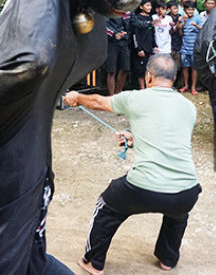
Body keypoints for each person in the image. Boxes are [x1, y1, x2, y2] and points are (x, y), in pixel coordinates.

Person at [63, 54, 201, 274]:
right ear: (174, 79)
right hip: (186, 191)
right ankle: (168, 259)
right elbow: (168, 137)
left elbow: (99, 101)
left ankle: (92, 262)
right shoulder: (188, 107)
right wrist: (133, 137)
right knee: (178, 213)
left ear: (148, 76)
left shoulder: (136, 98)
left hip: (143, 189)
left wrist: (76, 97)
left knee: (106, 206)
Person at [179, 0, 202, 95]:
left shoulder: (198, 18)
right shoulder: (182, 19)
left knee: (194, 68)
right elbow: (180, 34)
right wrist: (183, 22)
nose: (190, 12)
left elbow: (203, 30)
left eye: (192, 10)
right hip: (184, 47)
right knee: (185, 67)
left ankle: (193, 87)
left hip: (194, 48)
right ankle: (186, 85)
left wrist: (196, 25)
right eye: (188, 10)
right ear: (184, 10)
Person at [130, 0, 154, 89]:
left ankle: (148, 86)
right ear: (141, 7)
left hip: (149, 47)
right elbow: (135, 34)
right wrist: (138, 48)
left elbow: (152, 33)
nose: (149, 7)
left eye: (150, 5)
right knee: (140, 69)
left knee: (148, 68)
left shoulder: (151, 18)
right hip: (141, 47)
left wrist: (154, 45)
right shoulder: (137, 18)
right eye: (147, 5)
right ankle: (142, 87)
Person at [105, 13, 130, 95]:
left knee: (125, 68)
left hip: (124, 41)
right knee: (111, 70)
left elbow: (134, 21)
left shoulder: (127, 10)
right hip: (112, 42)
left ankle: (118, 93)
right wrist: (114, 34)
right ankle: (111, 96)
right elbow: (104, 25)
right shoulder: (109, 8)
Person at [167, 0, 184, 86]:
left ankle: (175, 84)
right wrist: (177, 24)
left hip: (178, 44)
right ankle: (168, 84)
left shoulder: (180, 17)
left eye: (177, 8)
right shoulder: (167, 18)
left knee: (177, 66)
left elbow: (181, 33)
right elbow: (171, 32)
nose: (176, 10)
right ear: (169, 9)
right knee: (168, 66)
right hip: (168, 45)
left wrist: (180, 26)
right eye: (174, 8)